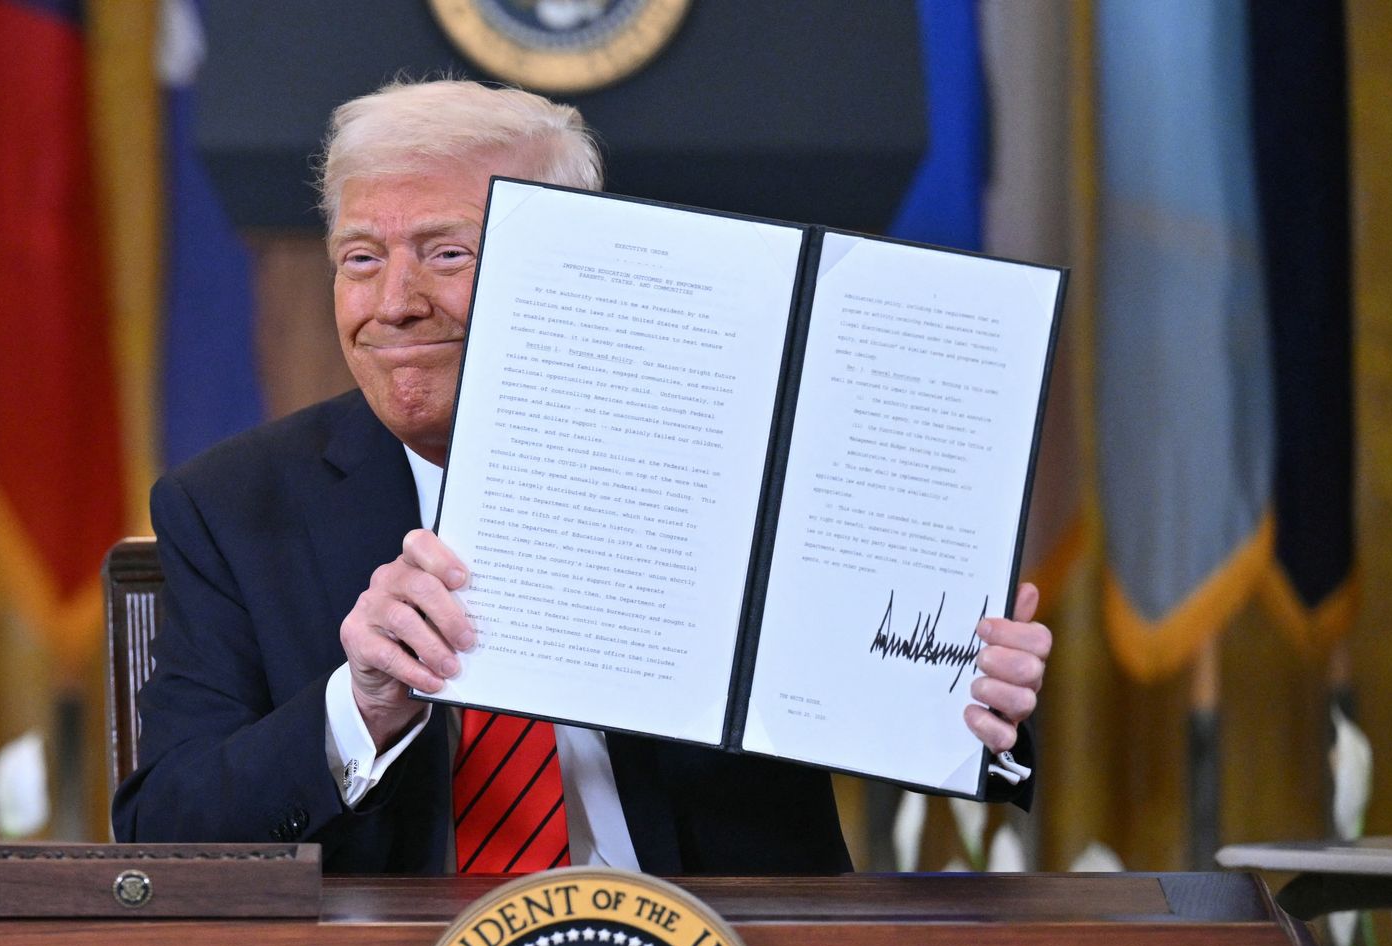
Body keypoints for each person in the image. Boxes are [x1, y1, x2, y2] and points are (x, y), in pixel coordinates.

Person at [111, 79, 1053, 874]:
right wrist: (356, 709)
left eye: (447, 252)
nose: (394, 304)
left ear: (578, 258)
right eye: (361, 259)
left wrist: (976, 703)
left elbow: (925, 709)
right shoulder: (233, 506)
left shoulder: (743, 455)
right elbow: (165, 835)